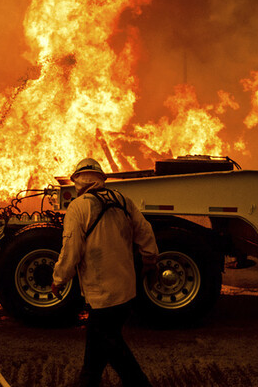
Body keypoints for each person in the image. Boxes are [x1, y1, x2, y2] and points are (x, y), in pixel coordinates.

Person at [51, 157, 159, 387]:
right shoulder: (123, 200)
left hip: (102, 294)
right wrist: (150, 260)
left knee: (112, 345)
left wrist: (58, 279)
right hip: (126, 291)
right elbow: (145, 231)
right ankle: (87, 381)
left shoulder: (78, 207)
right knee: (97, 339)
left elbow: (71, 249)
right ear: (101, 179)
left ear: (77, 181)